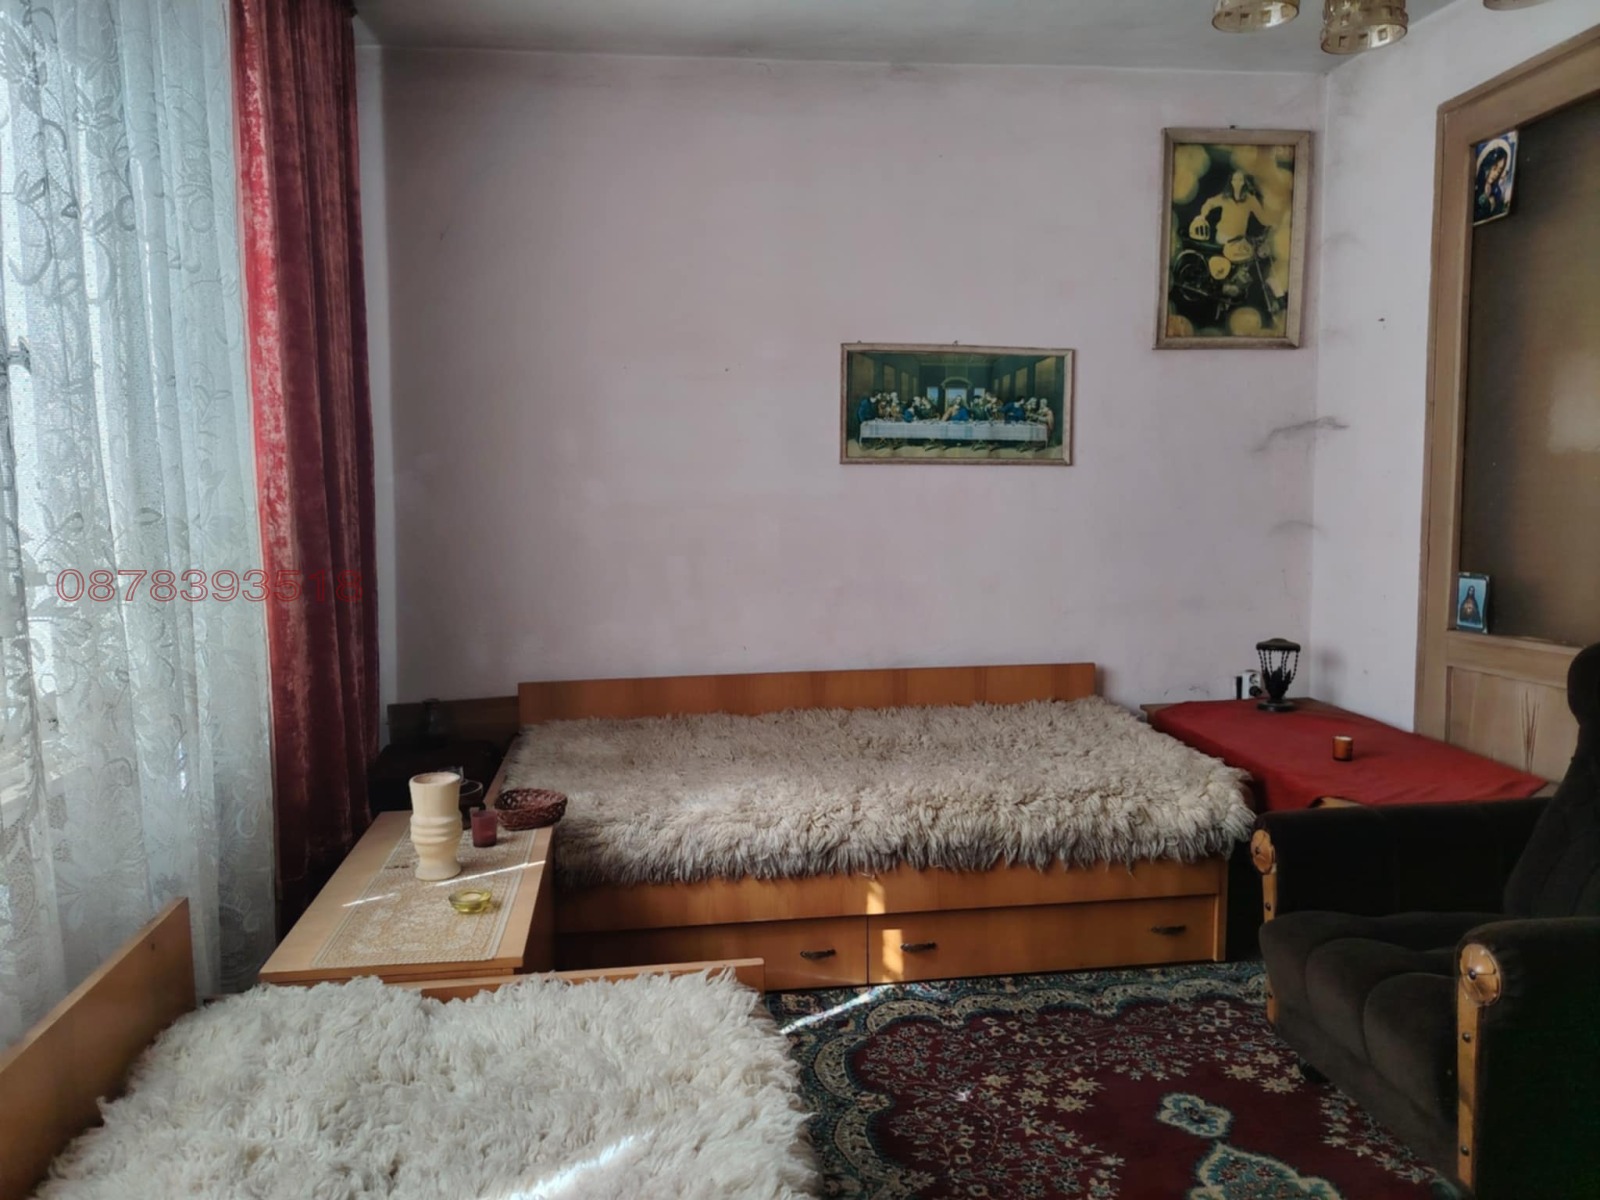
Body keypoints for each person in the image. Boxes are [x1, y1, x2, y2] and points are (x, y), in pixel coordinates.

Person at [1475, 145, 1511, 222]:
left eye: (1499, 170)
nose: (1496, 174)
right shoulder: (1476, 190)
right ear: (1487, 166)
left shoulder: (1497, 191)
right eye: (1494, 168)